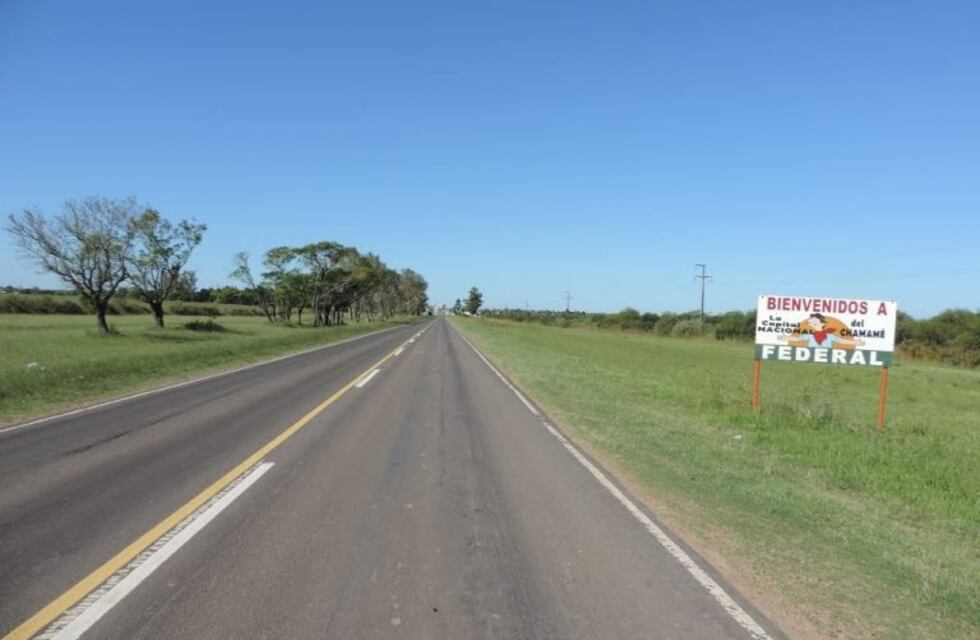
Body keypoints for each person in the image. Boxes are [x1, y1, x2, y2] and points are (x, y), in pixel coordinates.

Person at [780, 313, 864, 349]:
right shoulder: (810, 335)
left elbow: (843, 341)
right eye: (811, 323)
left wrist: (856, 342)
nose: (812, 324)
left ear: (821, 323)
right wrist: (786, 338)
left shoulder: (830, 336)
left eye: (814, 322)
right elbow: (797, 339)